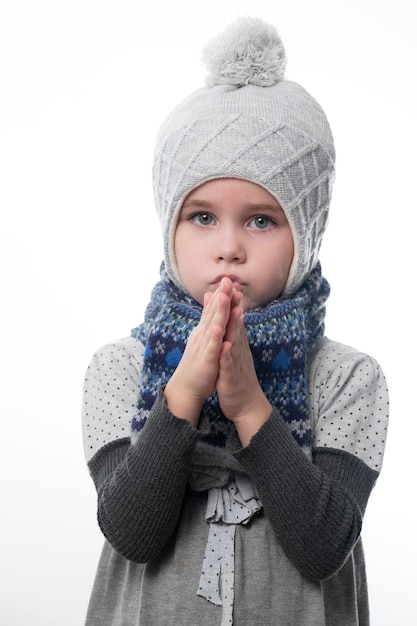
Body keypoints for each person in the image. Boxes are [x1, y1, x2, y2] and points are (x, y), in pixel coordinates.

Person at [82, 17, 389, 626]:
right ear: (169, 227)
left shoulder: (350, 378)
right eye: (201, 217)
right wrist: (183, 397)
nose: (228, 248)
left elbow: (325, 546)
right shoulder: (118, 367)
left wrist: (250, 405)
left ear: (305, 234)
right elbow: (131, 533)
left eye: (260, 221)